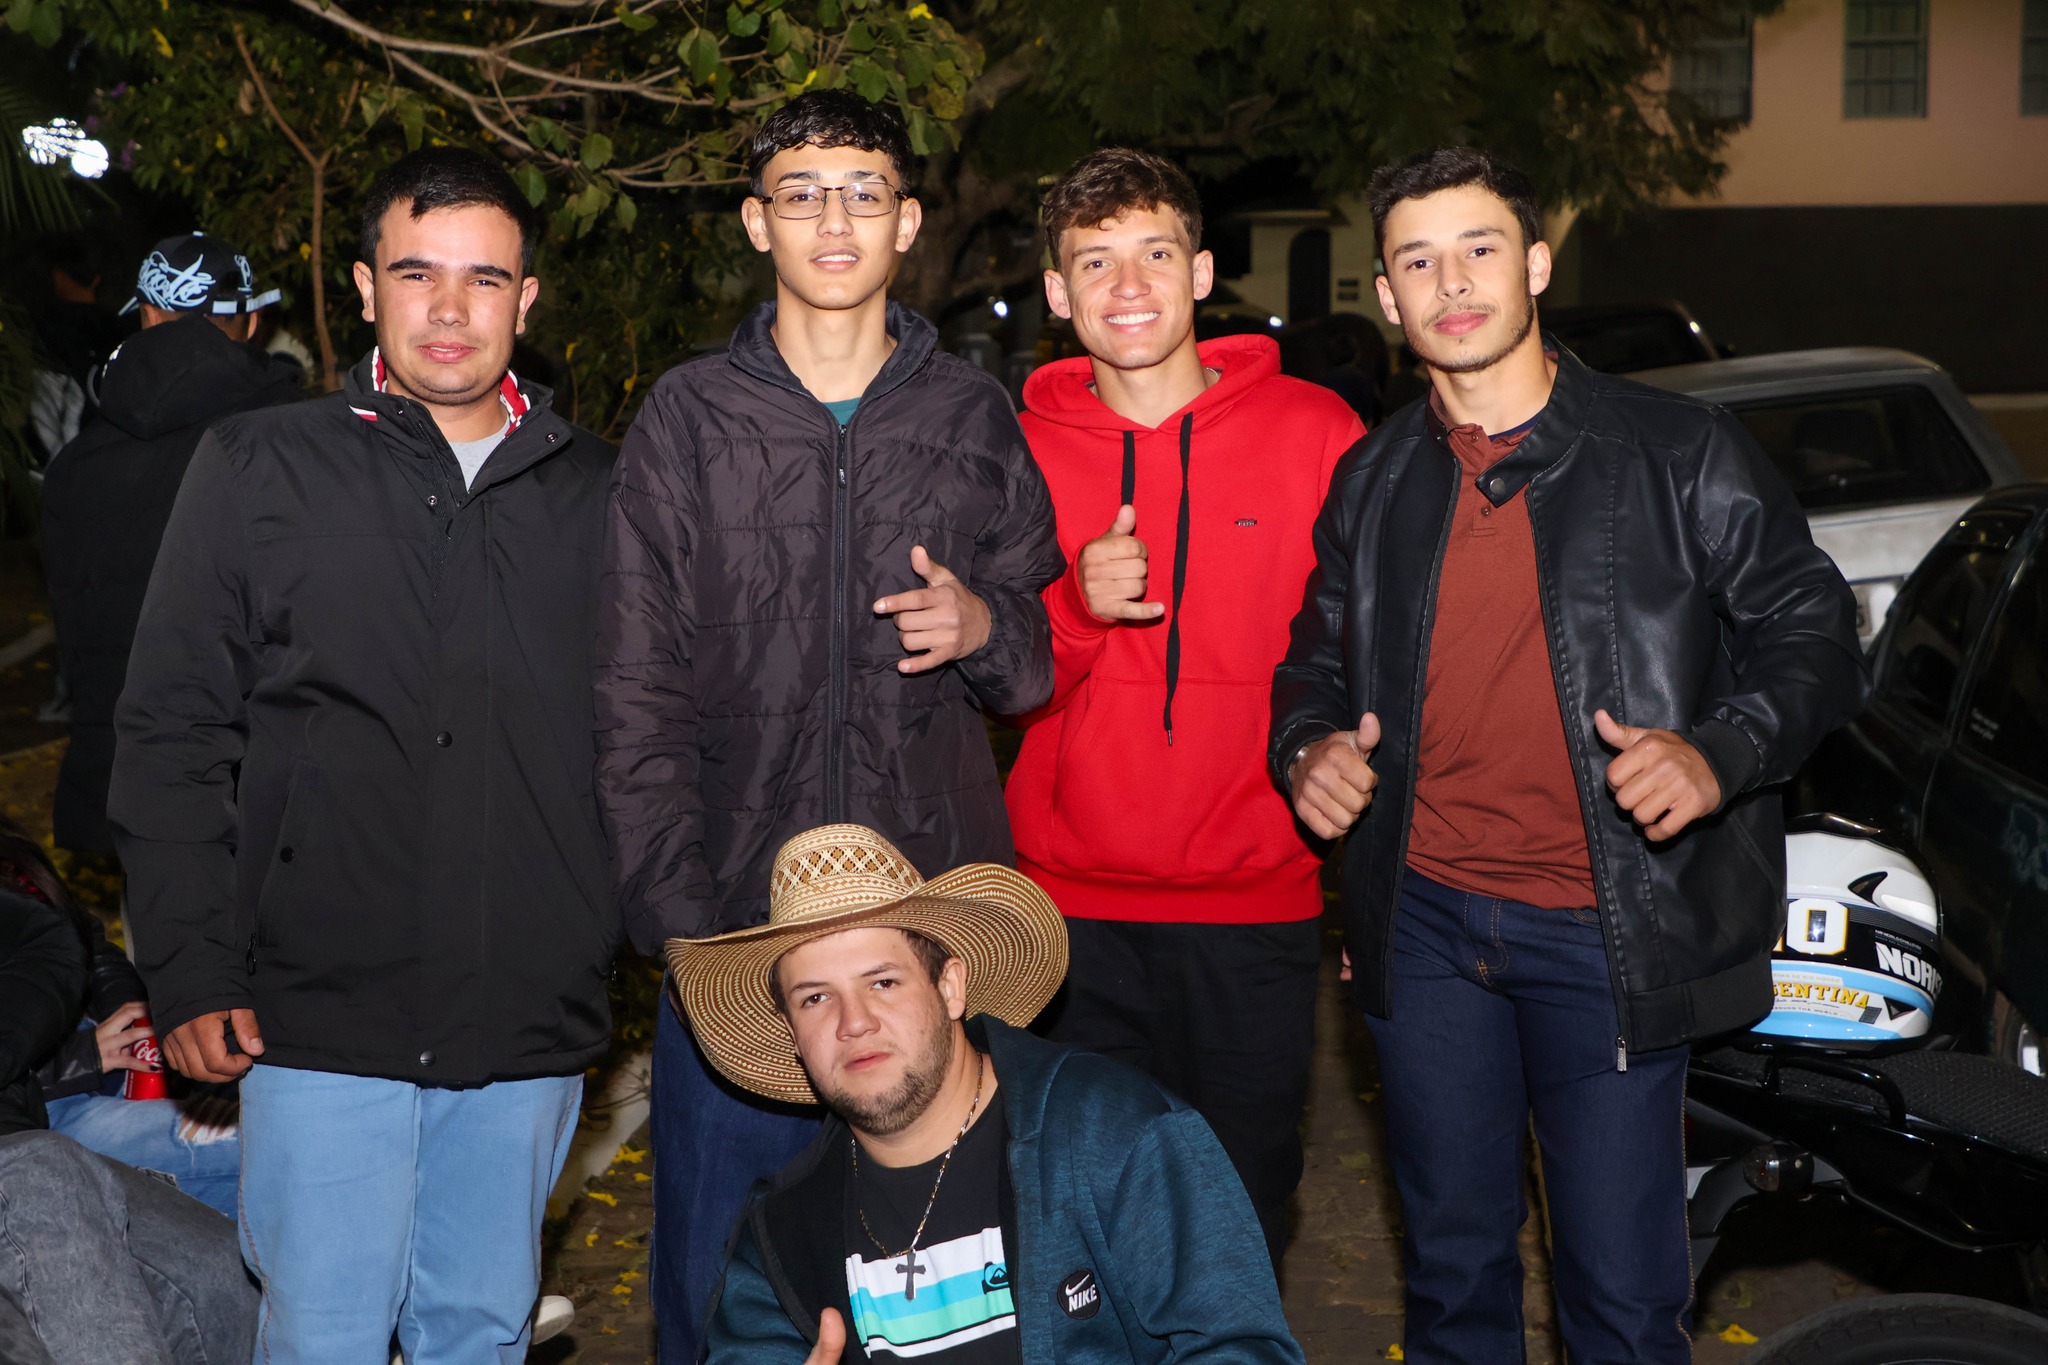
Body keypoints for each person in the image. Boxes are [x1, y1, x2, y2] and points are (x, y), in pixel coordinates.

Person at [1271, 147, 1867, 1364]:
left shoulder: (1676, 449)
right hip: (1422, 928)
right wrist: (1305, 748)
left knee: (1620, 1302)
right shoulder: (1371, 478)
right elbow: (1312, 664)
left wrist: (1718, 751)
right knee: (1451, 1282)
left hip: (1605, 928)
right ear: (1384, 295)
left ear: (1536, 264)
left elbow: (1816, 631)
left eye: (1478, 248)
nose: (1451, 283)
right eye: (1417, 261)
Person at [110, 147, 618, 1362]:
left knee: (479, 1331)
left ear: (525, 300)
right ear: (363, 286)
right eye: (416, 273)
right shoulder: (258, 465)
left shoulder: (602, 491)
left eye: (483, 279)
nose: (449, 308)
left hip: (523, 1011)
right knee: (324, 1334)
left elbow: (649, 730)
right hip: (312, 1007)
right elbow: (172, 728)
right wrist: (189, 966)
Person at [595, 90, 1062, 1360]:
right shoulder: (688, 420)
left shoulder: (970, 415)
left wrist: (983, 625)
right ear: (757, 223)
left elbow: (1031, 663)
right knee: (720, 1287)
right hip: (741, 932)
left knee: (937, 1294)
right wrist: (683, 923)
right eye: (801, 194)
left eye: (862, 191)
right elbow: (631, 688)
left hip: (921, 925)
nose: (834, 219)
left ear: (906, 221)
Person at [1004, 147, 1364, 1263]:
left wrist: (1373, 889)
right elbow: (983, 682)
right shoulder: (1009, 455)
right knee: (1079, 1226)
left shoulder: (1317, 432)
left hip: (1256, 906)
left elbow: (1373, 666)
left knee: (1237, 1215)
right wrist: (1073, 606)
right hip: (1063, 913)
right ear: (1056, 292)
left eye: (1154, 254)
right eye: (1094, 261)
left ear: (1201, 273)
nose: (1127, 286)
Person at [670, 823, 1302, 1365]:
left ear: (950, 988)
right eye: (815, 997)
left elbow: (1240, 1346)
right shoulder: (781, 1235)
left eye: (883, 982)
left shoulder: (1116, 1137)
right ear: (792, 1034)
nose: (853, 1021)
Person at [42, 232, 303, 856]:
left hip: (128, 783)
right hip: (267, 788)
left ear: (148, 315)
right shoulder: (295, 442)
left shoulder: (74, 467)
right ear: (251, 321)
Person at [0, 876, 257, 1365]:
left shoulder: (24, 879)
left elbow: (82, 946)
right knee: (258, 1147)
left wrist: (135, 1013)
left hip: (80, 1081)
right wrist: (80, 1058)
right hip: (53, 1108)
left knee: (215, 1257)